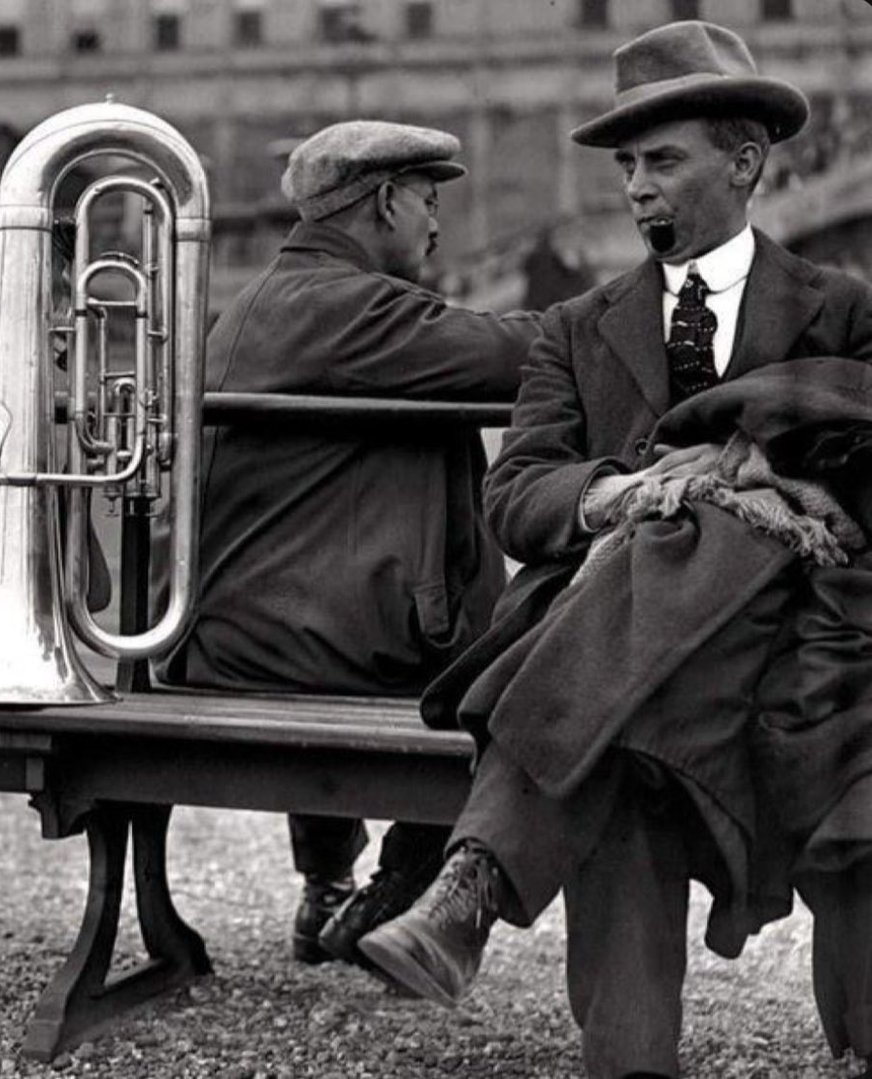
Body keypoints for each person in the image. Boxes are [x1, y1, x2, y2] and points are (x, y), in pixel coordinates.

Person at [357, 20, 872, 1079]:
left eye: (664, 160)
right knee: (636, 703)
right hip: (625, 661)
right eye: (628, 165)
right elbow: (519, 493)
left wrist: (767, 479)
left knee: (709, 525)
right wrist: (622, 493)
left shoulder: (842, 311)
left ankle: (474, 881)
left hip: (802, 637)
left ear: (745, 162)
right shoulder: (573, 328)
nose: (637, 188)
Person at [159, 120, 541, 967]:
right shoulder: (351, 308)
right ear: (385, 200)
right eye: (430, 200)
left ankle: (329, 885)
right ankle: (407, 882)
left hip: (228, 639)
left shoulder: (264, 300)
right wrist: (621, 321)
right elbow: (515, 354)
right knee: (525, 664)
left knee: (380, 580)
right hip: (306, 651)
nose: (438, 223)